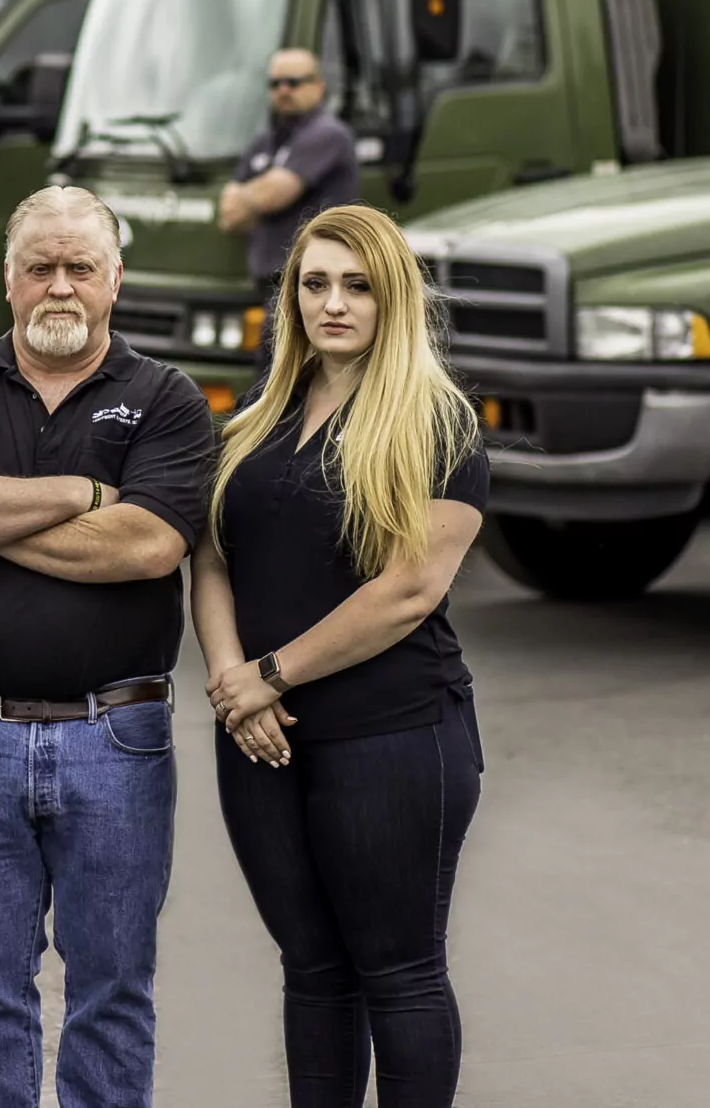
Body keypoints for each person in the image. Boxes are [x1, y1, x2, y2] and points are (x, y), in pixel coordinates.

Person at [0, 184, 215, 1108]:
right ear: (9, 276)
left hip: (117, 734)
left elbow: (151, 545)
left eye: (80, 267)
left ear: (115, 278)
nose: (59, 286)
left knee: (111, 990)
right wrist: (85, 491)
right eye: (41, 267)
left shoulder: (166, 398)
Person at [194, 203, 490, 1108]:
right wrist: (231, 681)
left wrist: (270, 675)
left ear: (392, 297)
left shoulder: (439, 421)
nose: (333, 302)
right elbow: (209, 554)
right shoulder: (258, 412)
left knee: (397, 971)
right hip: (259, 738)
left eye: (357, 285)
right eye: (315, 283)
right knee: (312, 969)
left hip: (392, 737)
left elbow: (408, 589)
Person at [220, 49, 362, 385]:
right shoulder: (265, 141)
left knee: (287, 384)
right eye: (275, 83)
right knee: (268, 383)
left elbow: (274, 194)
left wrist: (251, 196)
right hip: (271, 290)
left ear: (319, 87)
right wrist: (259, 195)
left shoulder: (328, 134)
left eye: (294, 82)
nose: (283, 90)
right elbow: (228, 216)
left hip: (313, 287)